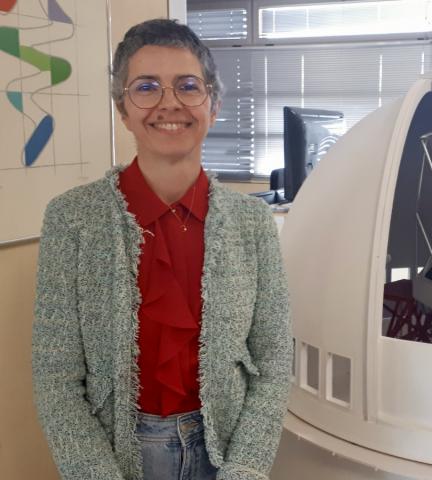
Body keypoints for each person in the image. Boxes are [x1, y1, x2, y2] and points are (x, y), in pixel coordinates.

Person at [32, 19, 292, 480]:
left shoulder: (253, 222)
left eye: (188, 86)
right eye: (146, 87)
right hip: (116, 455)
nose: (169, 103)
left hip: (226, 449)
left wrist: (246, 468)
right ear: (123, 109)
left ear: (213, 105)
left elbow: (272, 361)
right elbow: (56, 377)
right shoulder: (72, 218)